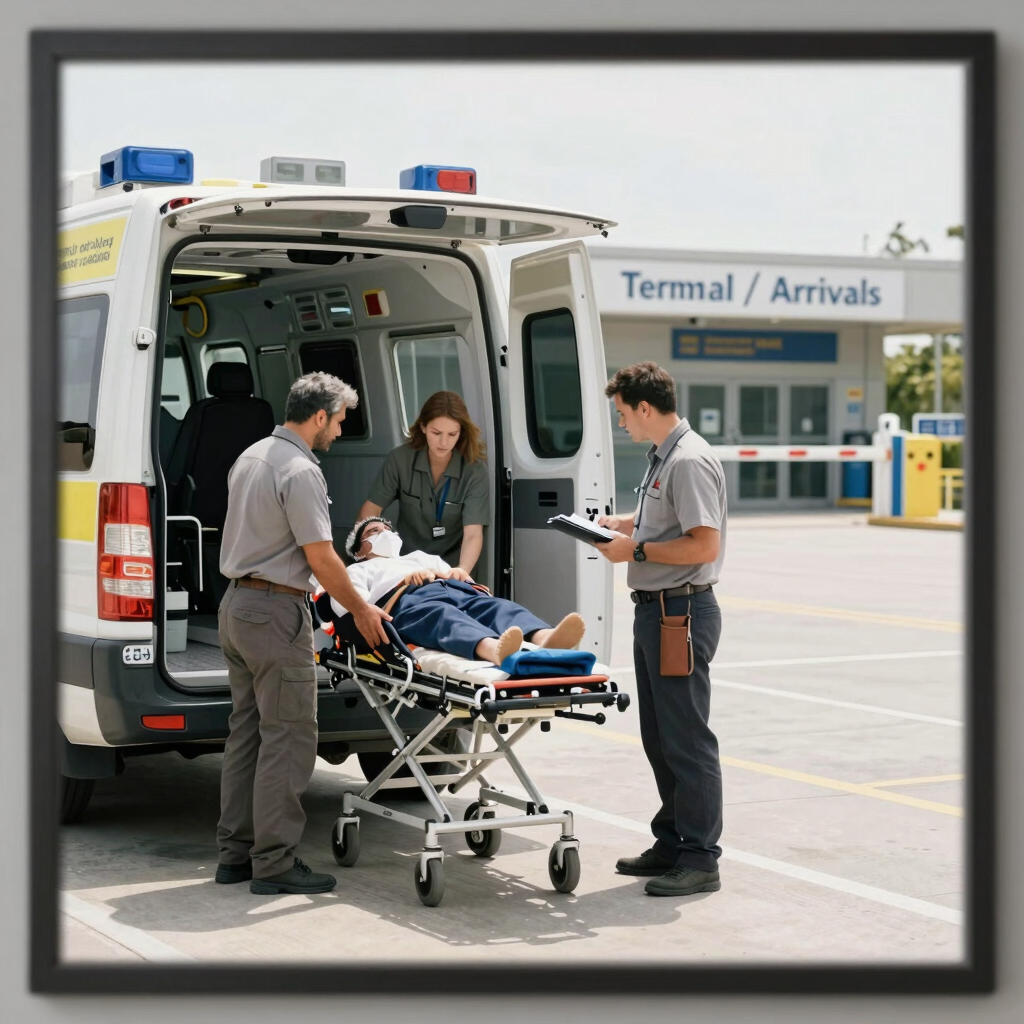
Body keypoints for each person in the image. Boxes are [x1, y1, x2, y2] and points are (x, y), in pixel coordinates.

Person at [215, 372, 390, 897]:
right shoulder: (300, 470)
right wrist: (360, 609)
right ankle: (274, 863)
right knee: (288, 738)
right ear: (318, 416)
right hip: (274, 612)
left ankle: (235, 855)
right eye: (338, 421)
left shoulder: (250, 456)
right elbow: (320, 556)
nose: (339, 430)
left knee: (247, 734)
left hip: (236, 607)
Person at [595, 361, 727, 898]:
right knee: (661, 737)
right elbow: (668, 521)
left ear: (645, 408)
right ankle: (672, 842)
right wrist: (624, 526)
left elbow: (704, 544)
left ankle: (700, 858)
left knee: (686, 739)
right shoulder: (664, 457)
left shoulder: (688, 460)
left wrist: (637, 550)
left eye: (623, 413)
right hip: (657, 610)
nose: (621, 423)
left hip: (680, 613)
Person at [326, 516, 586, 665]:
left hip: (452, 589)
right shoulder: (358, 570)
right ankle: (495, 650)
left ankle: (546, 638)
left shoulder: (420, 556)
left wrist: (460, 574)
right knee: (442, 617)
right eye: (374, 531)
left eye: (387, 529)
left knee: (496, 606)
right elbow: (348, 604)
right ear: (359, 551)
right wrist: (404, 583)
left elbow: (453, 575)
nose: (385, 533)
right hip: (407, 602)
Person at [356, 391, 489, 578]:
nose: (444, 442)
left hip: (451, 568)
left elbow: (473, 534)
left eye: (452, 434)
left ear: (461, 432)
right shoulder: (400, 459)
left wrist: (462, 570)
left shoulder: (474, 470)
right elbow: (370, 511)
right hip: (404, 566)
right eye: (436, 433)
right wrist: (376, 558)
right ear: (423, 427)